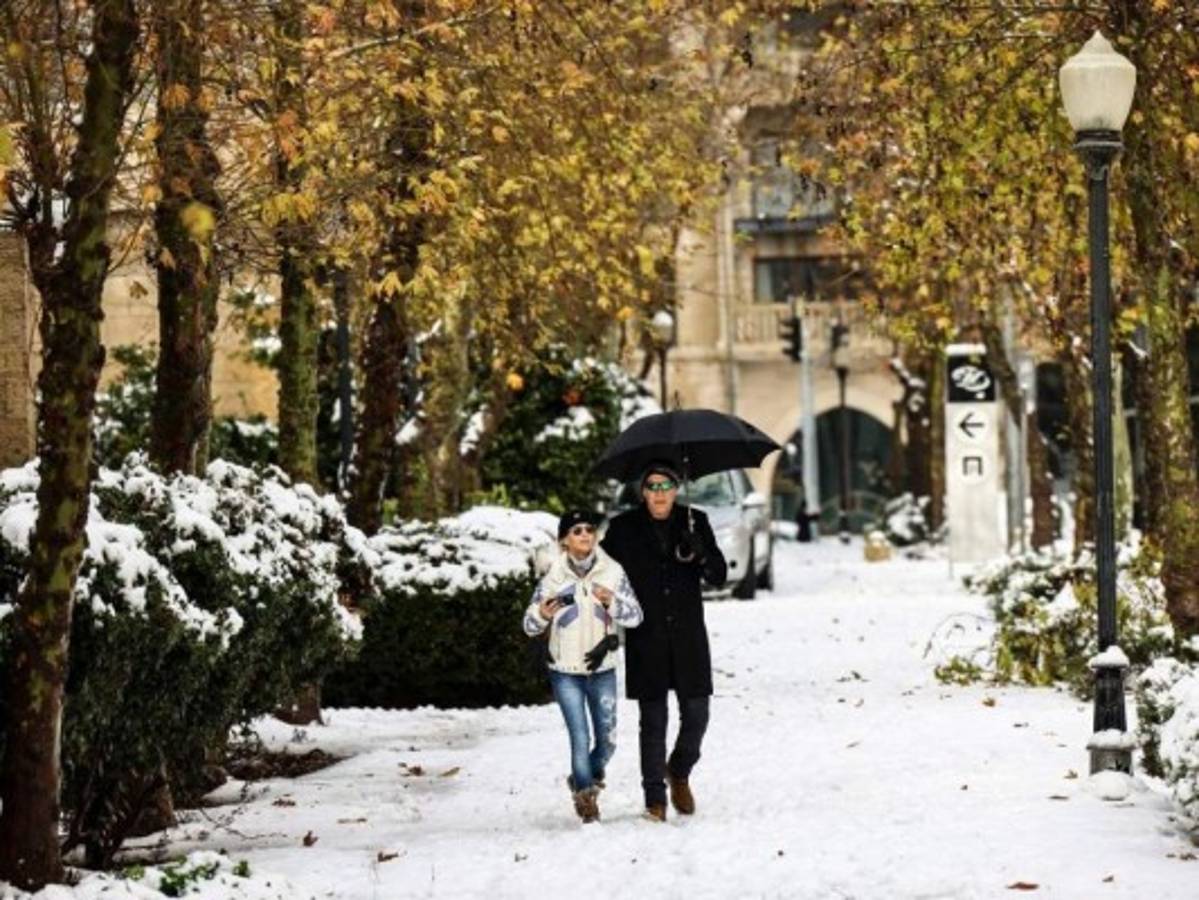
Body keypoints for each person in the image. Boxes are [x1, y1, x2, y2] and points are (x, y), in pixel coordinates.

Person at [601, 462, 727, 822]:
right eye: (652, 486)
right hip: (647, 635)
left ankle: (680, 770)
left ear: (676, 489)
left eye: (665, 486)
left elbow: (719, 576)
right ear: (643, 492)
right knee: (653, 721)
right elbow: (601, 570)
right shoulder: (623, 528)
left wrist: (701, 552)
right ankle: (654, 797)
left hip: (688, 635)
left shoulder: (695, 521)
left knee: (697, 715)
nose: (659, 493)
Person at [523, 509, 643, 823]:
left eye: (589, 529)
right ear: (564, 540)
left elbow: (635, 616)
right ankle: (586, 797)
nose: (585, 535)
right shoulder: (552, 577)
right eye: (576, 531)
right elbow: (529, 625)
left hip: (603, 670)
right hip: (565, 673)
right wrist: (543, 615)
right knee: (580, 738)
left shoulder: (613, 571)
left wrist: (612, 602)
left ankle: (583, 776)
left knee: (608, 742)